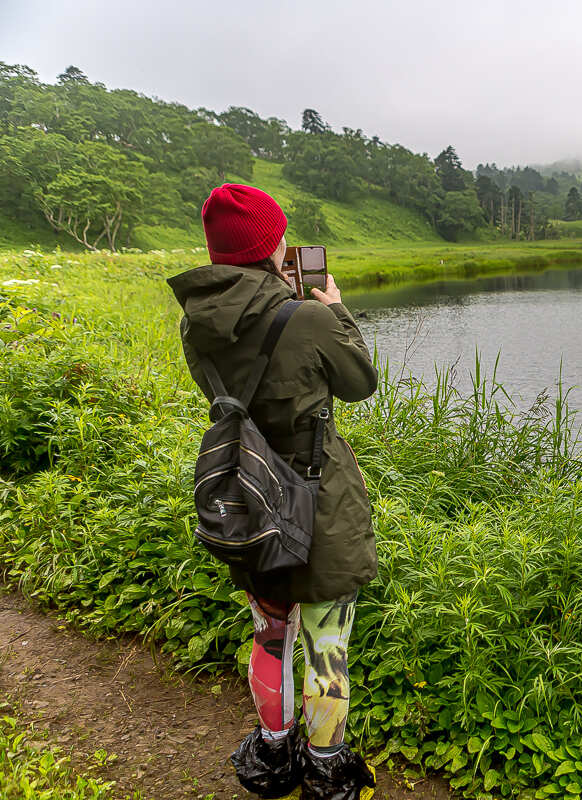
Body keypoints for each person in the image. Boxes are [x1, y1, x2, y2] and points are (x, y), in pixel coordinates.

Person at [167, 183, 378, 800]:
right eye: (280, 235)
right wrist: (331, 308)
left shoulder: (197, 323)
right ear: (271, 246)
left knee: (270, 631)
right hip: (319, 500)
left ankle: (274, 753)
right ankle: (325, 765)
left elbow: (237, 394)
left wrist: (280, 301)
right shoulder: (307, 316)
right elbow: (360, 382)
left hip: (249, 496)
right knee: (326, 642)